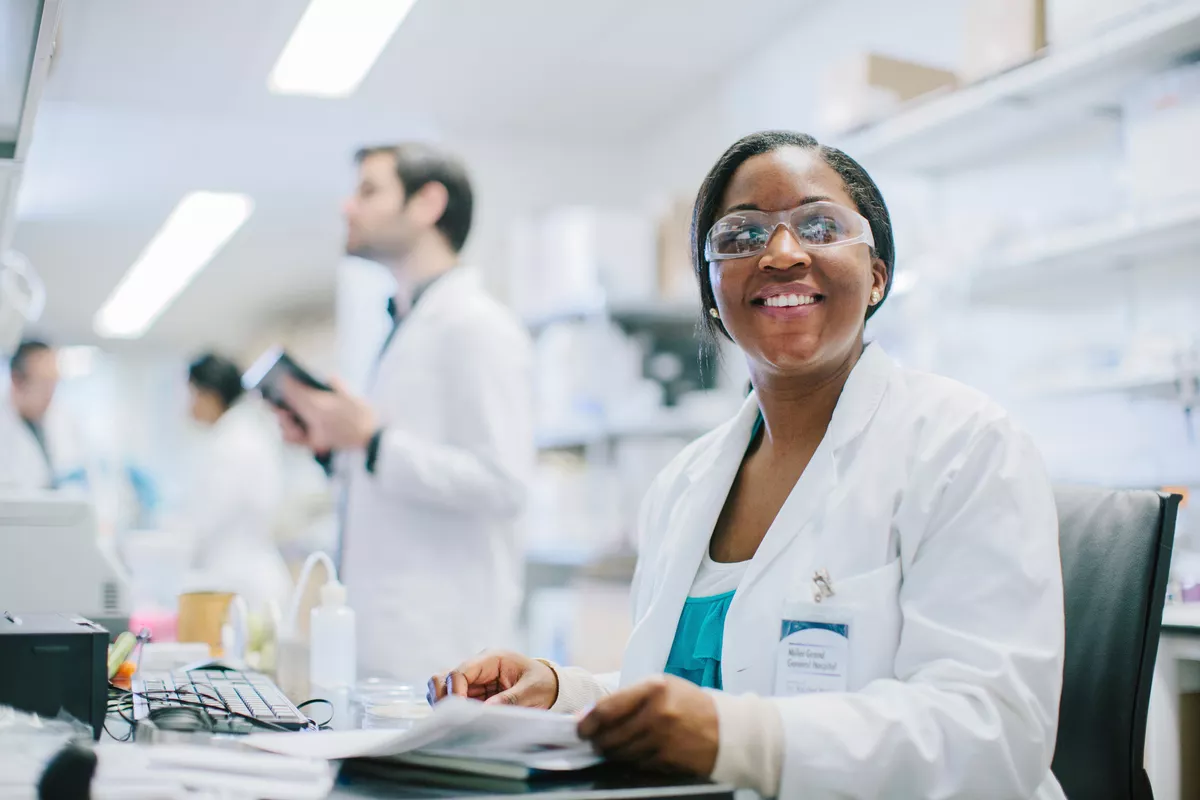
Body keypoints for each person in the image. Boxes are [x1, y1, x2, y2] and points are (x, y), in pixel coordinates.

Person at [430, 131, 1065, 800]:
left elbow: (993, 732)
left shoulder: (964, 446)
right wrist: (568, 692)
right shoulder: (683, 484)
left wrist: (741, 741)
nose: (783, 254)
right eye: (740, 237)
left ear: (877, 275)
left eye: (819, 226)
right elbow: (714, 688)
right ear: (712, 291)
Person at [276, 143, 534, 681]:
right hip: (385, 642)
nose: (348, 208)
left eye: (368, 191)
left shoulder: (476, 325)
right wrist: (334, 445)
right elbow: (398, 471)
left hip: (443, 649)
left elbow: (503, 482)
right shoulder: (404, 324)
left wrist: (371, 441)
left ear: (427, 203)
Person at [184, 352, 292, 610]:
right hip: (248, 576)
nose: (189, 406)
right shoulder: (243, 434)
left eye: (193, 395)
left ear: (211, 395)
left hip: (242, 583)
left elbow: (209, 518)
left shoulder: (232, 443)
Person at [0, 339, 88, 491]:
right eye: (44, 383)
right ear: (17, 380)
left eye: (54, 383)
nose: (51, 393)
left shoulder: (60, 420)